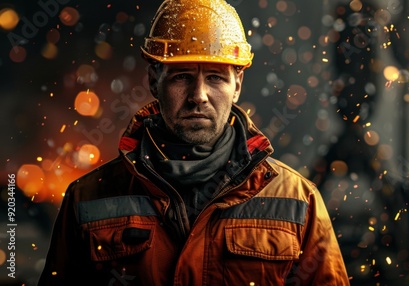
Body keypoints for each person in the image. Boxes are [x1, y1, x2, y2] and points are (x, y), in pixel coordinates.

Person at [38, 0, 349, 285]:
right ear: (153, 82)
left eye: (215, 77)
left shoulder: (299, 202)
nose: (198, 95)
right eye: (181, 76)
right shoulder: (87, 199)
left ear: (237, 85)